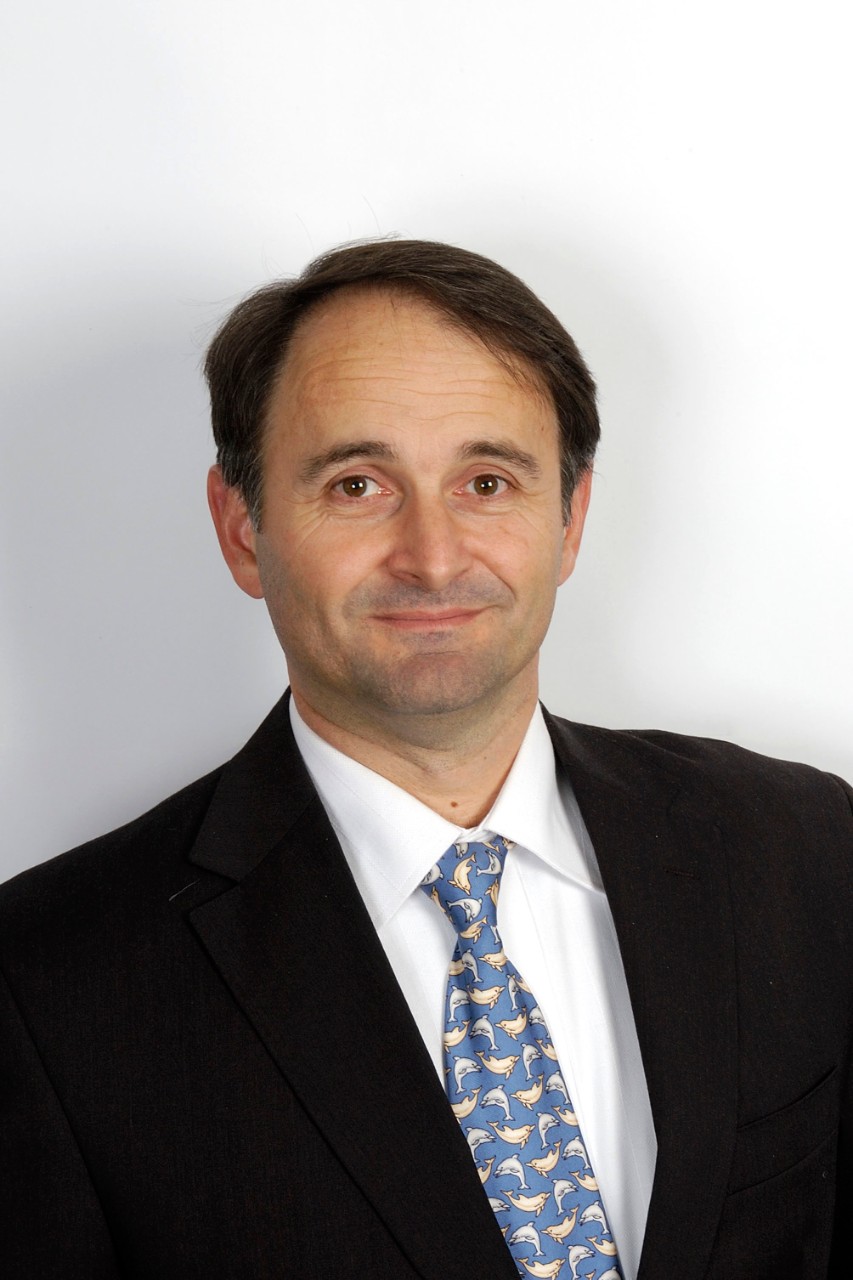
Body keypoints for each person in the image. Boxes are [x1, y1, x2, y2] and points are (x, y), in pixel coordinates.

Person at [1, 240, 850, 1280]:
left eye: (485, 480)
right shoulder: (45, 983)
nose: (434, 555)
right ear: (240, 528)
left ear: (570, 518)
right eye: (358, 484)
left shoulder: (805, 852)